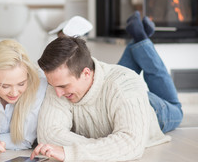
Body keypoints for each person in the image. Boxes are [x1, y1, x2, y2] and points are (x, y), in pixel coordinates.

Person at [30, 11, 183, 161]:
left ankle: (142, 40)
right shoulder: (58, 85)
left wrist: (71, 153)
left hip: (151, 109)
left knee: (176, 109)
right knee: (117, 78)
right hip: (111, 99)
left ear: (86, 74)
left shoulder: (124, 85)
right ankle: (138, 42)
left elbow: (130, 143)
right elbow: (49, 135)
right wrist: (110, 146)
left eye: (63, 86)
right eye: (53, 86)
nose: (57, 93)